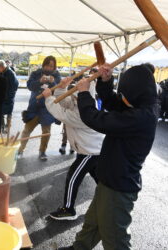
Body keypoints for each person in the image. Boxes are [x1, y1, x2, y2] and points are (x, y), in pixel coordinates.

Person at [58, 64, 158, 250]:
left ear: (134, 93)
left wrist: (84, 93)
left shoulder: (139, 117)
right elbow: (113, 103)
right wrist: (105, 81)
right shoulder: (141, 104)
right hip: (110, 179)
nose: (122, 98)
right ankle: (80, 247)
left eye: (124, 94)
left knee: (115, 238)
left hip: (118, 187)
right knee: (93, 223)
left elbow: (95, 119)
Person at [42, 77, 104, 220]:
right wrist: (63, 87)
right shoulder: (81, 102)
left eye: (77, 92)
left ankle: (68, 209)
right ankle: (108, 200)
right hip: (91, 150)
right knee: (100, 179)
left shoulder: (87, 111)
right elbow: (65, 102)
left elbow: (61, 113)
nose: (74, 95)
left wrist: (48, 98)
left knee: (72, 177)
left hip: (90, 152)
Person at [17, 56, 61, 161]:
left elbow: (58, 91)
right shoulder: (36, 73)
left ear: (54, 67)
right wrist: (40, 81)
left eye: (51, 66)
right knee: (27, 130)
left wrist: (53, 83)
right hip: (34, 106)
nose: (49, 68)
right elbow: (30, 86)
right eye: (47, 65)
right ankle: (20, 150)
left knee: (46, 132)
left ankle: (42, 152)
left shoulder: (56, 76)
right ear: (43, 65)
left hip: (47, 108)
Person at [0, 60, 19, 133]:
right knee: (0, 113)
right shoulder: (2, 72)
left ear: (1, 67)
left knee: (9, 113)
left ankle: (7, 127)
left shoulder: (10, 73)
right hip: (2, 97)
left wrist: (9, 95)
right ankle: (1, 127)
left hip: (9, 97)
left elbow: (15, 86)